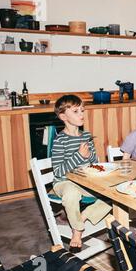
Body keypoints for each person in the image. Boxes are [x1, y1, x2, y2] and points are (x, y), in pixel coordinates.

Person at [51, 95, 111, 253]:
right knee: (71, 192)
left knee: (112, 194)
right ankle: (77, 231)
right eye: (76, 111)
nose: (81, 114)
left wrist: (90, 155)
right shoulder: (60, 140)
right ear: (63, 116)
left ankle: (82, 216)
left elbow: (92, 163)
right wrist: (78, 156)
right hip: (63, 182)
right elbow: (58, 170)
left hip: (84, 181)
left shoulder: (86, 135)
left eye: (82, 110)